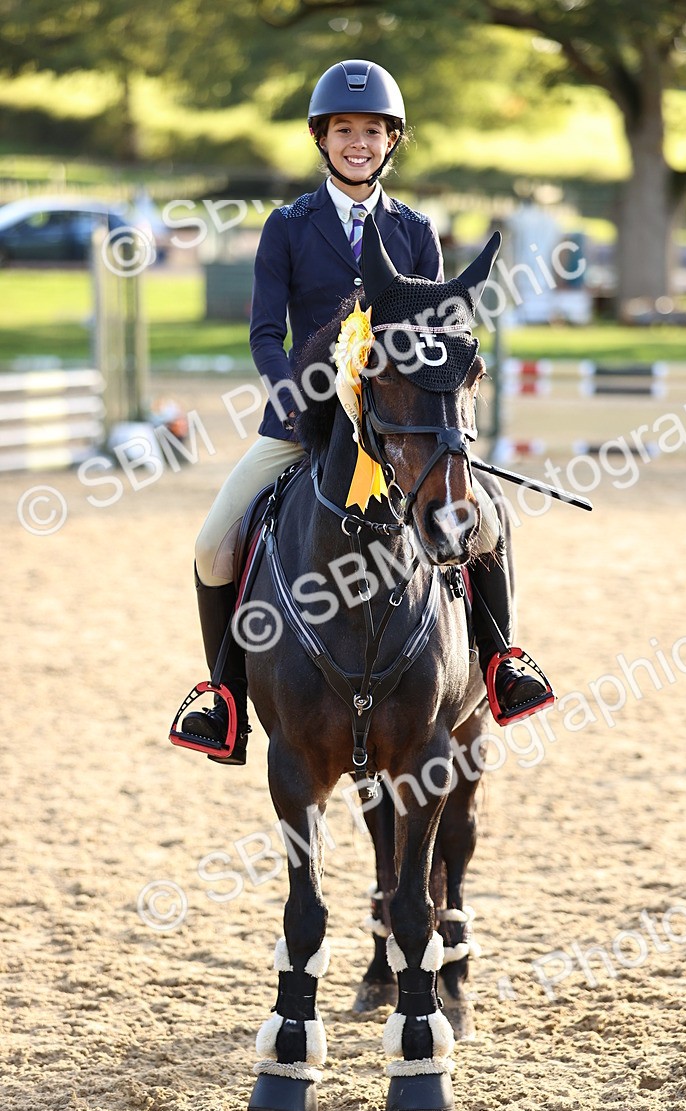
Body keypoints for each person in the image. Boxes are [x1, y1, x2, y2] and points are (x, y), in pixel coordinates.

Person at [181, 59, 550, 766]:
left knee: (481, 519)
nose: (359, 142)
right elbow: (265, 333)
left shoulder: (416, 231)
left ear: (391, 142)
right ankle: (223, 698)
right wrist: (288, 391)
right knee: (210, 544)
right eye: (344, 130)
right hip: (303, 426)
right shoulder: (288, 227)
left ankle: (502, 664)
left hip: (397, 430)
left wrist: (435, 418)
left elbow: (437, 339)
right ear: (322, 138)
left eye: (373, 131)